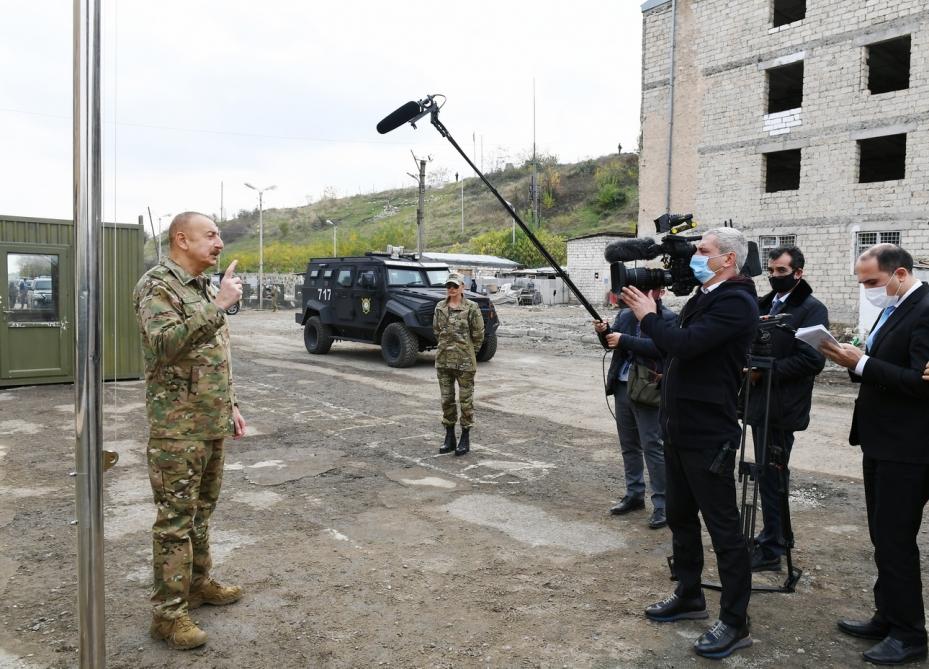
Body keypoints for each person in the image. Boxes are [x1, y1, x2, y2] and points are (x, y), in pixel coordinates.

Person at [621, 227, 758, 660]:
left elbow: (685, 343)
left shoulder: (736, 300)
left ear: (729, 259)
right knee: (681, 518)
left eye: (704, 251)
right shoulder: (704, 296)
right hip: (679, 428)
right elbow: (673, 351)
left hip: (708, 434)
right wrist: (627, 337)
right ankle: (689, 594)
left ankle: (736, 621)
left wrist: (648, 315)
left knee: (724, 530)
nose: (696, 256)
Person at [133, 211, 247, 650]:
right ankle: (167, 616)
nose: (219, 243)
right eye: (211, 235)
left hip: (209, 420)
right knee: (175, 521)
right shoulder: (157, 286)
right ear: (182, 239)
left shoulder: (199, 288)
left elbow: (215, 356)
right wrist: (218, 306)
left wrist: (231, 405)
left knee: (201, 512)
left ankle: (197, 585)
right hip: (177, 428)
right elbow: (165, 345)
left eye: (219, 235)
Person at [821, 243, 929, 666]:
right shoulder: (895, 306)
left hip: (910, 447)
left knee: (896, 539)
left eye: (871, 281)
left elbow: (920, 384)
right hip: (881, 441)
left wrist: (862, 363)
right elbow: (883, 363)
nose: (866, 289)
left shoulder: (923, 309)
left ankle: (910, 634)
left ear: (899, 273)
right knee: (882, 537)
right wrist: (848, 359)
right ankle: (888, 614)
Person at [745, 246, 827, 572]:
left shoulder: (811, 309)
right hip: (759, 403)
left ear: (798, 273)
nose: (774, 276)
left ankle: (773, 549)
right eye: (772, 270)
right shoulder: (764, 304)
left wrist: (764, 369)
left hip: (783, 407)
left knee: (772, 475)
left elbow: (812, 359)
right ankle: (778, 536)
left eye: (781, 271)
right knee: (767, 473)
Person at [593, 288, 676, 529]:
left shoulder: (668, 319)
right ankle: (634, 494)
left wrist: (623, 339)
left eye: (648, 290)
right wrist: (605, 333)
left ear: (660, 292)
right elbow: (613, 345)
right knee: (629, 444)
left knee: (652, 446)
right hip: (623, 386)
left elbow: (661, 348)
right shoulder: (626, 316)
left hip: (649, 389)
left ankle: (662, 504)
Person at [433, 272, 484, 456]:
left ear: (463, 287)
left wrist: (469, 352)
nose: (452, 289)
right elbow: (437, 331)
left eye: (455, 286)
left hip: (464, 364)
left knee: (465, 402)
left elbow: (478, 335)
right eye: (449, 286)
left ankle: (465, 437)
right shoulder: (440, 307)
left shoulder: (471, 307)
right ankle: (449, 437)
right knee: (446, 400)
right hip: (444, 361)